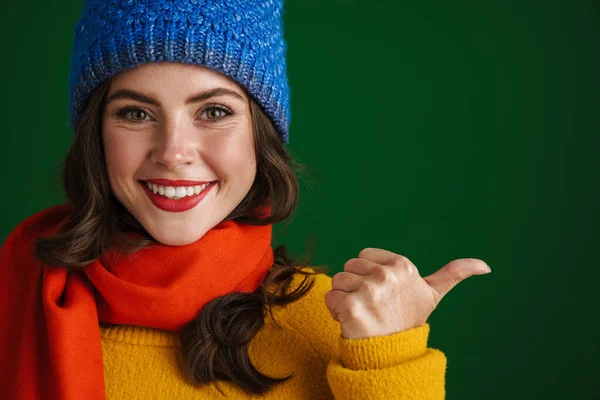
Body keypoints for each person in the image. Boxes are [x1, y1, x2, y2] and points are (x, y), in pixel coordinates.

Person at [0, 0, 491, 399]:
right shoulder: (16, 301)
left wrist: (388, 359)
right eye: (135, 113)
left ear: (261, 136)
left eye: (213, 111)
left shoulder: (334, 329)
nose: (173, 153)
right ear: (95, 135)